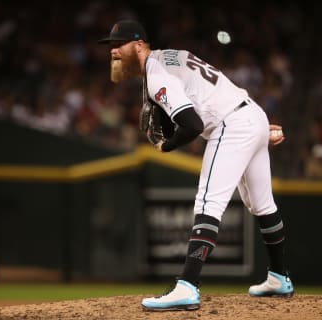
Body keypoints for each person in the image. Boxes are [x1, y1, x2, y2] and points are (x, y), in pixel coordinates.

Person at [98, 20, 293, 311]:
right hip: (250, 112)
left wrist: (167, 145)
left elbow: (192, 125)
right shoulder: (171, 55)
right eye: (111, 46)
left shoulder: (156, 73)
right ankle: (279, 277)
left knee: (207, 203)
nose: (113, 51)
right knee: (261, 205)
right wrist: (258, 127)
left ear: (139, 45)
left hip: (233, 124)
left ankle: (187, 286)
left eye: (119, 44)